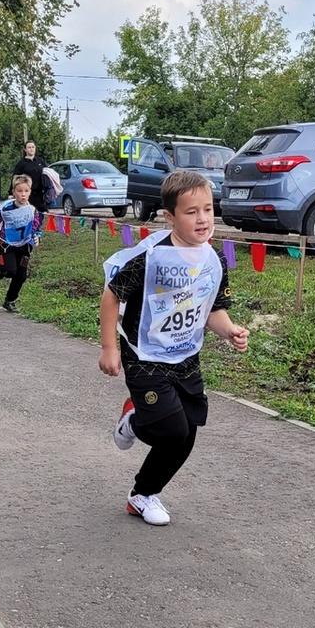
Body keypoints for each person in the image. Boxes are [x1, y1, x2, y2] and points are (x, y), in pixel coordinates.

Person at [98, 170, 250, 527]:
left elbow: (213, 309)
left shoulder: (214, 260)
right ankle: (137, 419)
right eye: (191, 212)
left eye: (209, 210)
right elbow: (111, 295)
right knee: (172, 430)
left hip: (185, 355)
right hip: (144, 354)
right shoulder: (150, 256)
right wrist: (109, 348)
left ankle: (143, 494)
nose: (203, 219)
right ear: (170, 217)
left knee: (187, 432)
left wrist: (229, 331)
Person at [0, 175, 42, 313]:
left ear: (30, 192)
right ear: (14, 192)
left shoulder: (32, 210)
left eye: (26, 191)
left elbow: (37, 227)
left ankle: (10, 300)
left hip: (25, 245)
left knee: (21, 276)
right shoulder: (6, 209)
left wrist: (37, 237)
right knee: (10, 271)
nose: (23, 194)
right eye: (20, 191)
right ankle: (1, 268)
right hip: (7, 244)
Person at [12, 141, 48, 213]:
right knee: (29, 214)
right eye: (29, 147)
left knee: (42, 215)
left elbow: (47, 173)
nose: (31, 149)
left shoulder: (40, 161)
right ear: (25, 150)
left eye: (33, 147)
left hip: (40, 194)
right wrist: (11, 193)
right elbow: (15, 178)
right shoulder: (21, 163)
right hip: (27, 194)